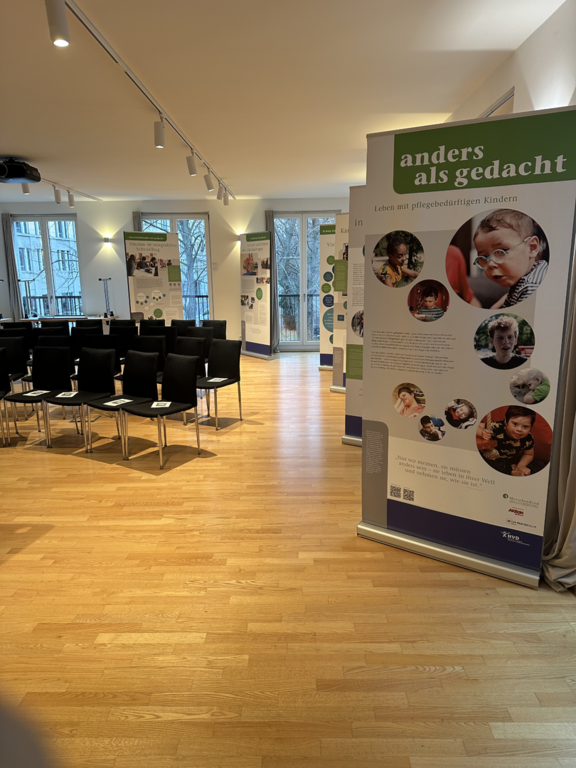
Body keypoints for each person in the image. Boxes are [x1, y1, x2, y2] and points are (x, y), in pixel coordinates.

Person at [473, 209, 548, 308]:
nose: (490, 264)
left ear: (531, 248)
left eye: (501, 251)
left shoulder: (531, 288)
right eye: (484, 257)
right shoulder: (527, 276)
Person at [476, 406, 544, 476]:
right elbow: (475, 426)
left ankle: (519, 471)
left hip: (513, 460)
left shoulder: (528, 437)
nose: (519, 429)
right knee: (489, 462)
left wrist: (521, 465)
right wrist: (481, 433)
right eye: (515, 424)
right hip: (495, 458)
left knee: (540, 464)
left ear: (531, 427)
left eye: (525, 427)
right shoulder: (497, 427)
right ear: (506, 421)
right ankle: (512, 472)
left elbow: (528, 454)